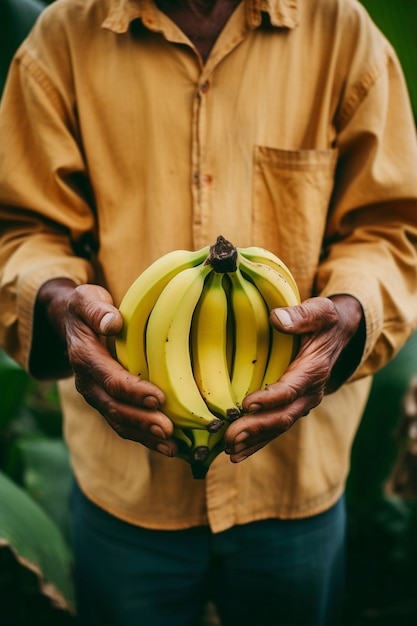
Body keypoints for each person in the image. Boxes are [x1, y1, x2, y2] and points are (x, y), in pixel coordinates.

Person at [0, 0, 416, 624]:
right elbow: (24, 229)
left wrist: (349, 314)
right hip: (124, 490)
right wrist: (61, 307)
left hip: (294, 481)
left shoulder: (342, 31)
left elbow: (388, 228)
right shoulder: (62, 39)